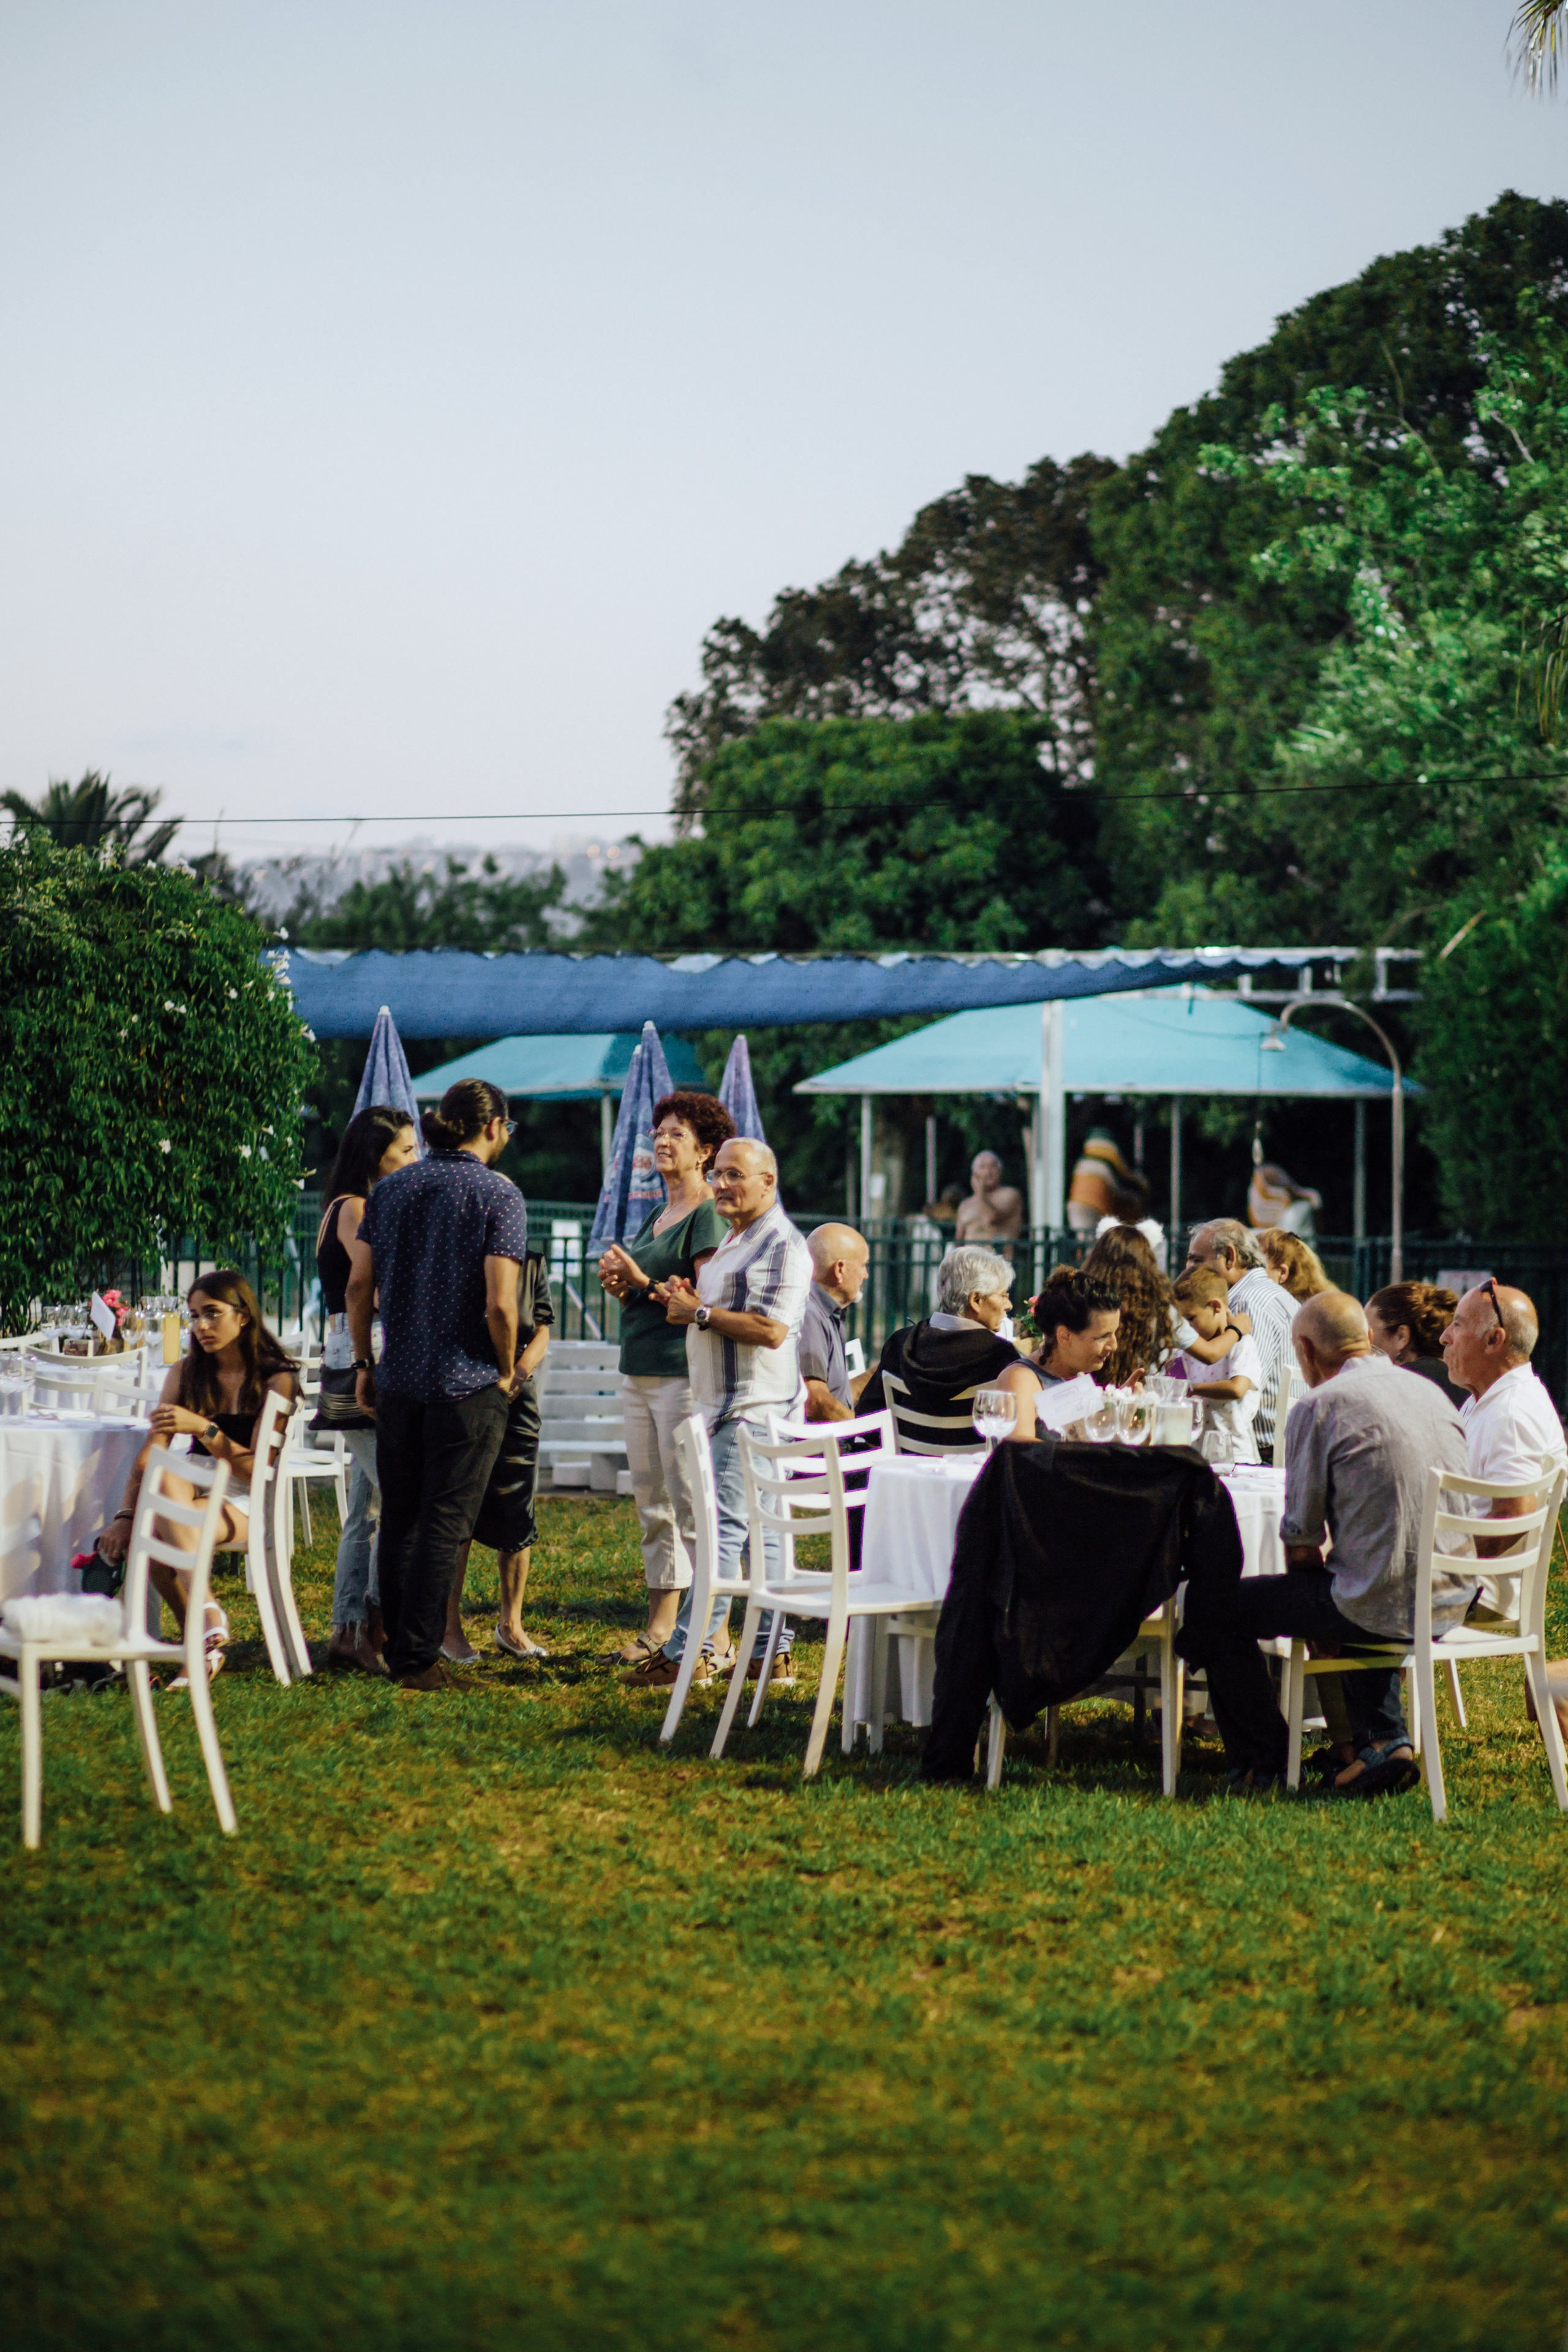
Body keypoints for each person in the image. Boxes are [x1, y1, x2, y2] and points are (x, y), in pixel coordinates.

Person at [1178, 1291, 1472, 1796]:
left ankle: (1265, 1757)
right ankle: (1381, 1742)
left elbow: (1301, 1542)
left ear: (1307, 1350)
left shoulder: (1319, 1405)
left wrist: (1314, 1615)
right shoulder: (1428, 1391)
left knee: (1215, 1607)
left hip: (1378, 1598)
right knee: (1354, 1575)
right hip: (1452, 1593)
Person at [347, 1079, 529, 1691]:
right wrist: (506, 1368)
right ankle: (420, 1660)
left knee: (399, 1518)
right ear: (494, 1127)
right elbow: (502, 1304)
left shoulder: (392, 1188)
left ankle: (400, 1646)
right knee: (444, 1522)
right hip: (467, 1380)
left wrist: (363, 1363)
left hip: (398, 1376)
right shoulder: (498, 1195)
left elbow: (357, 1287)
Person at [624, 1138, 813, 1692]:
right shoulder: (738, 1237)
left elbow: (771, 1330)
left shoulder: (781, 1243)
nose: (722, 1183)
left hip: (749, 1408)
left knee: (722, 1535)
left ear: (768, 1182)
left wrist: (701, 1310)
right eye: (719, 1173)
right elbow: (717, 1312)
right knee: (764, 1537)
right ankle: (769, 1654)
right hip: (729, 1405)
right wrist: (682, 1298)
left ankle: (690, 1653)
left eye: (735, 1175)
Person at [97, 1270, 298, 1681]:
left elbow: (259, 1468)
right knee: (160, 1483)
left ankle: (197, 1639)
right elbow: (151, 1453)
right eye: (194, 1316)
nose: (201, 1326)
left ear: (242, 1316)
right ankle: (204, 1616)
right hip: (189, 1489)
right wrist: (124, 1516)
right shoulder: (186, 1373)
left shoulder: (275, 1377)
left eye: (212, 1314)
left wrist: (205, 1430)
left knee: (154, 1531)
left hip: (248, 1493)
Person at [597, 1091, 735, 1667]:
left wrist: (642, 1281)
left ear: (705, 1152)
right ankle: (660, 1626)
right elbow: (652, 1290)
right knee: (652, 1503)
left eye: (678, 1133)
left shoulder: (706, 1213)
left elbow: (701, 1302)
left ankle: (714, 1634)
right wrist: (624, 1284)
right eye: (659, 1131)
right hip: (640, 1371)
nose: (663, 1140)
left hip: (681, 1375)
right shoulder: (659, 1212)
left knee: (690, 1504)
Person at [315, 1104, 419, 1676]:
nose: (414, 1159)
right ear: (375, 1155)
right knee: (403, 1497)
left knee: (365, 1505)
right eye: (405, 1150)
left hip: (348, 1351)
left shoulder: (339, 1206)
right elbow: (364, 1285)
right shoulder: (357, 1207)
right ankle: (372, 1622)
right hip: (365, 1357)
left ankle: (350, 1630)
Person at [445, 1243, 554, 1664]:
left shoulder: (531, 1261)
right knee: (460, 1510)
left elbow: (542, 1327)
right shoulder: (457, 1257)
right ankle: (449, 1627)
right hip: (465, 1391)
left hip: (517, 1397)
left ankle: (511, 1625)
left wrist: (520, 1373)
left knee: (517, 1508)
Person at [1440, 1280, 1567, 1621]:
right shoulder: (1490, 1398)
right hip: (1468, 1576)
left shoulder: (1511, 1413)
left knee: (1345, 1595)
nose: (1444, 1337)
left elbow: (1516, 1514)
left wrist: (1442, 1565)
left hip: (1482, 1589)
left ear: (1494, 1340)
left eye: (1458, 1324)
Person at [859, 1245, 1022, 1452]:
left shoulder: (901, 1343)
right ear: (976, 1300)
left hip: (909, 1472)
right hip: (975, 1476)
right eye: (1003, 1295)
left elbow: (869, 1422)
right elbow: (1016, 1435)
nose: (1008, 1305)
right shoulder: (1001, 1356)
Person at [1183, 1219, 1297, 1460]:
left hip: (1255, 1452)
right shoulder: (1272, 1294)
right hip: (1280, 1445)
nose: (1188, 1268)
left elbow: (1242, 1393)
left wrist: (1186, 1390)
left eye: (1196, 1260)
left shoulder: (1244, 1304)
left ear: (1229, 1257)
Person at [994, 1269, 1121, 1441]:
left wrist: (1121, 1407)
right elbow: (1019, 1451)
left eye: (1114, 1334)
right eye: (1103, 1337)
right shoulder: (1022, 1379)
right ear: (1065, 1337)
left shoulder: (1075, 1374)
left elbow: (1085, 1439)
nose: (1114, 1345)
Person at [1169, 1265, 1262, 1462]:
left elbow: (1237, 1388)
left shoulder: (1242, 1344)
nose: (1186, 1328)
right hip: (1195, 1452)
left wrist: (1193, 1389)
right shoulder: (1187, 1349)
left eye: (1191, 1318)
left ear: (1216, 1307)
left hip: (1235, 1453)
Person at [1081, 1223, 1174, 1388]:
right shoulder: (1160, 1305)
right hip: (1143, 1395)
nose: (1113, 1345)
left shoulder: (1085, 1297)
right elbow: (1210, 1352)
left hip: (1092, 1393)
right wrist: (1235, 1329)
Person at [799, 1224, 870, 1422]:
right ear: (840, 1269)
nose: (866, 1275)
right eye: (863, 1265)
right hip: (821, 1449)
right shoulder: (810, 1314)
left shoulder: (825, 1309)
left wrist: (877, 1374)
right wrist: (864, 1432)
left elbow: (836, 1394)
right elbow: (816, 1402)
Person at [1365, 1281, 1462, 1400]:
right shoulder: (1465, 1381)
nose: (1363, 1340)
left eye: (1367, 1330)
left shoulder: (1388, 1384)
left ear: (1401, 1336)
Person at [1066, 1129, 1146, 1235]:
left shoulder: (1083, 1163)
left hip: (1076, 1206)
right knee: (1091, 1242)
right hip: (1094, 1207)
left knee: (1084, 1240)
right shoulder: (1105, 1166)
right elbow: (1117, 1187)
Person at [954, 1153, 1023, 1246]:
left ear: (1000, 1171)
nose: (988, 1172)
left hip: (997, 1257)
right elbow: (959, 1238)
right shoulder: (965, 1205)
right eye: (982, 1167)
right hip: (970, 1258)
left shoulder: (1010, 1195)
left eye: (993, 1166)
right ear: (974, 1174)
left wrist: (980, 1194)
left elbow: (992, 1218)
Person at [1248, 1159, 1322, 1237]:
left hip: (1292, 1237)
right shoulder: (1259, 1179)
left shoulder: (1299, 1208)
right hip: (1273, 1233)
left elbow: (1298, 1192)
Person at [1259, 1229, 1333, 1303]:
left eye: (1258, 1267)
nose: (1250, 1273)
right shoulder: (1321, 1301)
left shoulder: (1310, 1310)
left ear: (1282, 1273)